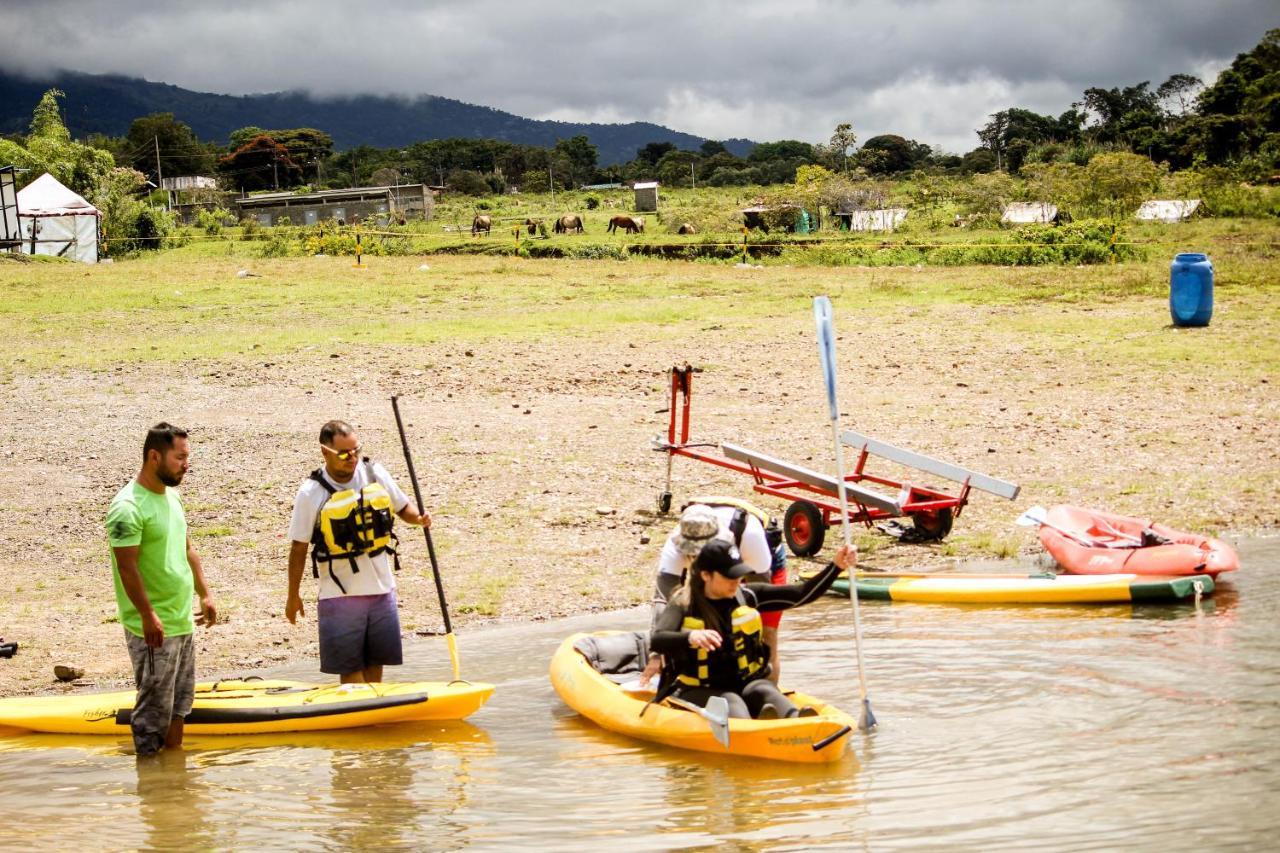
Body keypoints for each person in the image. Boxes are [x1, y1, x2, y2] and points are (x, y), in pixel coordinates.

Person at [286, 419, 431, 683]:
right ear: (324, 452)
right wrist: (293, 595)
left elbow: (402, 507)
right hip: (340, 597)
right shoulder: (311, 493)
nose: (351, 458)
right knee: (352, 675)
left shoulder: (373, 473)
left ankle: (372, 724)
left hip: (381, 590)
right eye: (343, 453)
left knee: (376, 670)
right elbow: (298, 546)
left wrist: (418, 519)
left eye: (356, 450)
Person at [649, 538, 856, 719]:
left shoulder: (747, 596)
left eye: (738, 575)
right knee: (730, 700)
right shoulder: (684, 603)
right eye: (729, 577)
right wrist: (690, 637)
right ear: (706, 575)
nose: (736, 582)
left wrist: (835, 567)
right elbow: (658, 639)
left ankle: (795, 721)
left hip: (744, 684)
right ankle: (753, 731)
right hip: (698, 689)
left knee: (764, 689)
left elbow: (801, 594)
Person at [106, 422, 217, 756]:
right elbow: (126, 567)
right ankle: (150, 784)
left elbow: (187, 549)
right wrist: (147, 614)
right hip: (153, 626)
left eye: (187, 457)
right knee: (152, 713)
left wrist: (205, 592)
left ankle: (172, 782)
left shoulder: (172, 495)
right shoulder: (127, 507)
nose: (186, 464)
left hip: (181, 619)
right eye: (179, 457)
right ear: (154, 456)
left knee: (180, 705)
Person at [644, 499, 788, 682]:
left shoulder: (750, 537)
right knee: (688, 622)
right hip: (714, 572)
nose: (700, 559)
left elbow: (758, 600)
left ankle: (766, 696)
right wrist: (656, 655)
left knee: (764, 636)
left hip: (757, 564)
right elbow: (662, 602)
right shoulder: (675, 549)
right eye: (695, 555)